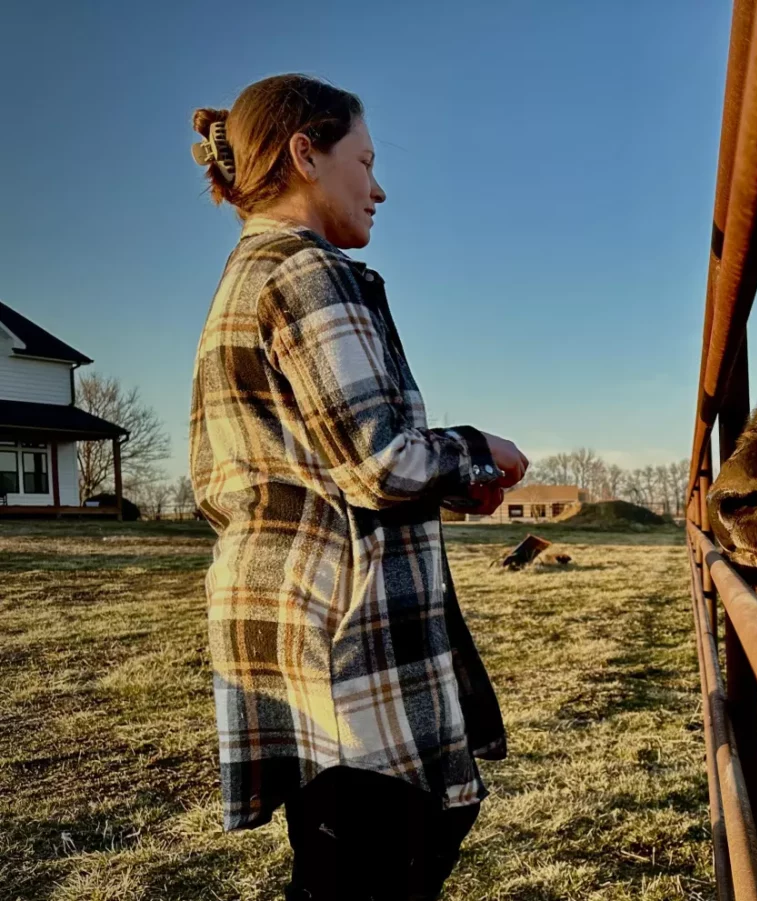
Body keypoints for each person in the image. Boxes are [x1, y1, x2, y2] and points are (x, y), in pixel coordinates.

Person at [188, 73, 525, 901]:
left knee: (345, 856)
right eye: (365, 162)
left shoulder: (243, 277)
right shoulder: (306, 271)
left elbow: (305, 467)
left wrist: (449, 486)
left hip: (284, 614)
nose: (378, 189)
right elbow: (378, 463)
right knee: (392, 843)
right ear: (306, 155)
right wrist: (478, 450)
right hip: (344, 624)